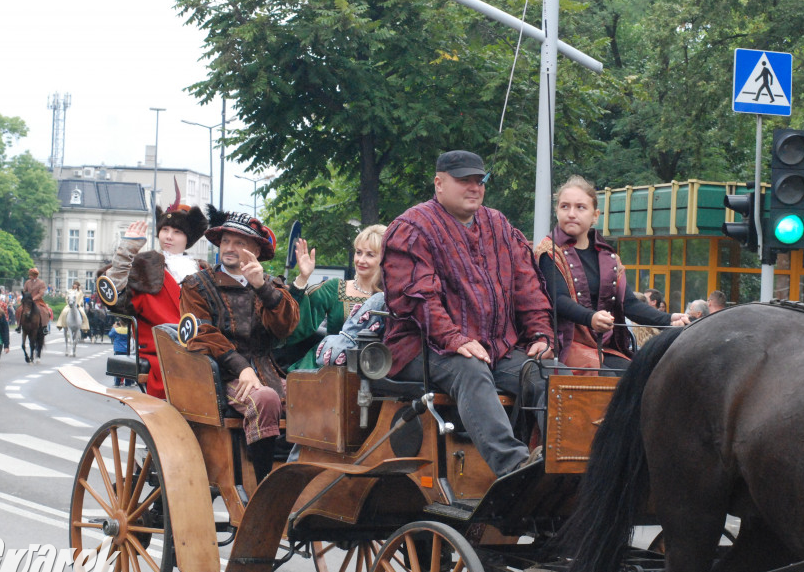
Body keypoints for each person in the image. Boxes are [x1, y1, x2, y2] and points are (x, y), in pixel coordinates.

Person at [382, 150, 554, 478]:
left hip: (493, 346)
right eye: (464, 180)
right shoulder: (411, 228)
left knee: (545, 373)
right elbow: (419, 299)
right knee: (470, 370)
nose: (474, 187)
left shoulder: (499, 224)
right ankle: (516, 468)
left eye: (479, 180)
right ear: (439, 183)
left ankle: (567, 462)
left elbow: (527, 287)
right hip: (421, 348)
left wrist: (541, 334)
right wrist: (453, 338)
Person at [180, 207, 299, 483]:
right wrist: (242, 368)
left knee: (316, 397)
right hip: (220, 376)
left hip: (266, 373)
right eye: (225, 241)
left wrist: (262, 288)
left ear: (255, 251)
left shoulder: (270, 286)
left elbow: (286, 328)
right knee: (266, 398)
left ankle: (302, 483)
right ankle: (262, 486)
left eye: (239, 243)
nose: (229, 248)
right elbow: (203, 334)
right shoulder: (196, 285)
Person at [535, 175, 687, 373]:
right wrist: (591, 318)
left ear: (595, 215)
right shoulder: (548, 251)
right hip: (563, 343)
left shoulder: (609, 257)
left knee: (638, 376)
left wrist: (668, 319)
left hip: (604, 346)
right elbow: (559, 299)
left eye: (580, 207)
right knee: (600, 374)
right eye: (565, 206)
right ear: (557, 211)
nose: (571, 213)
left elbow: (629, 304)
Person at [102, 186, 208, 399]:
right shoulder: (145, 265)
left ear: (188, 238)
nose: (169, 236)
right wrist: (127, 251)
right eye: (165, 230)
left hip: (204, 344)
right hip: (161, 347)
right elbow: (116, 301)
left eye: (177, 232)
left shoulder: (203, 270)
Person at [282, 224, 387, 371]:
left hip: (378, 375)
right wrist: (303, 278)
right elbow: (294, 321)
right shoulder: (335, 289)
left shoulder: (393, 298)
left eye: (370, 254)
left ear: (385, 259)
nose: (361, 260)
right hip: (329, 374)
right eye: (358, 252)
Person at [21, 267, 54, 333]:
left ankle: (44, 326)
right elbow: (25, 290)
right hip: (28, 300)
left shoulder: (41, 283)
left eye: (31, 275)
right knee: (20, 309)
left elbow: (41, 293)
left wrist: (34, 298)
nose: (29, 276)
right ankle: (19, 325)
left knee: (44, 311)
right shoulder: (27, 282)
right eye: (29, 275)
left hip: (38, 300)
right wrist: (24, 295)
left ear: (35, 275)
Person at [108, 320, 131, 387]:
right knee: (127, 366)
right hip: (127, 349)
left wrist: (113, 327)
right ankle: (128, 382)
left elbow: (110, 335)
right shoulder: (129, 330)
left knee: (118, 367)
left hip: (118, 350)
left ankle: (117, 382)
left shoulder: (116, 330)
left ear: (120, 323)